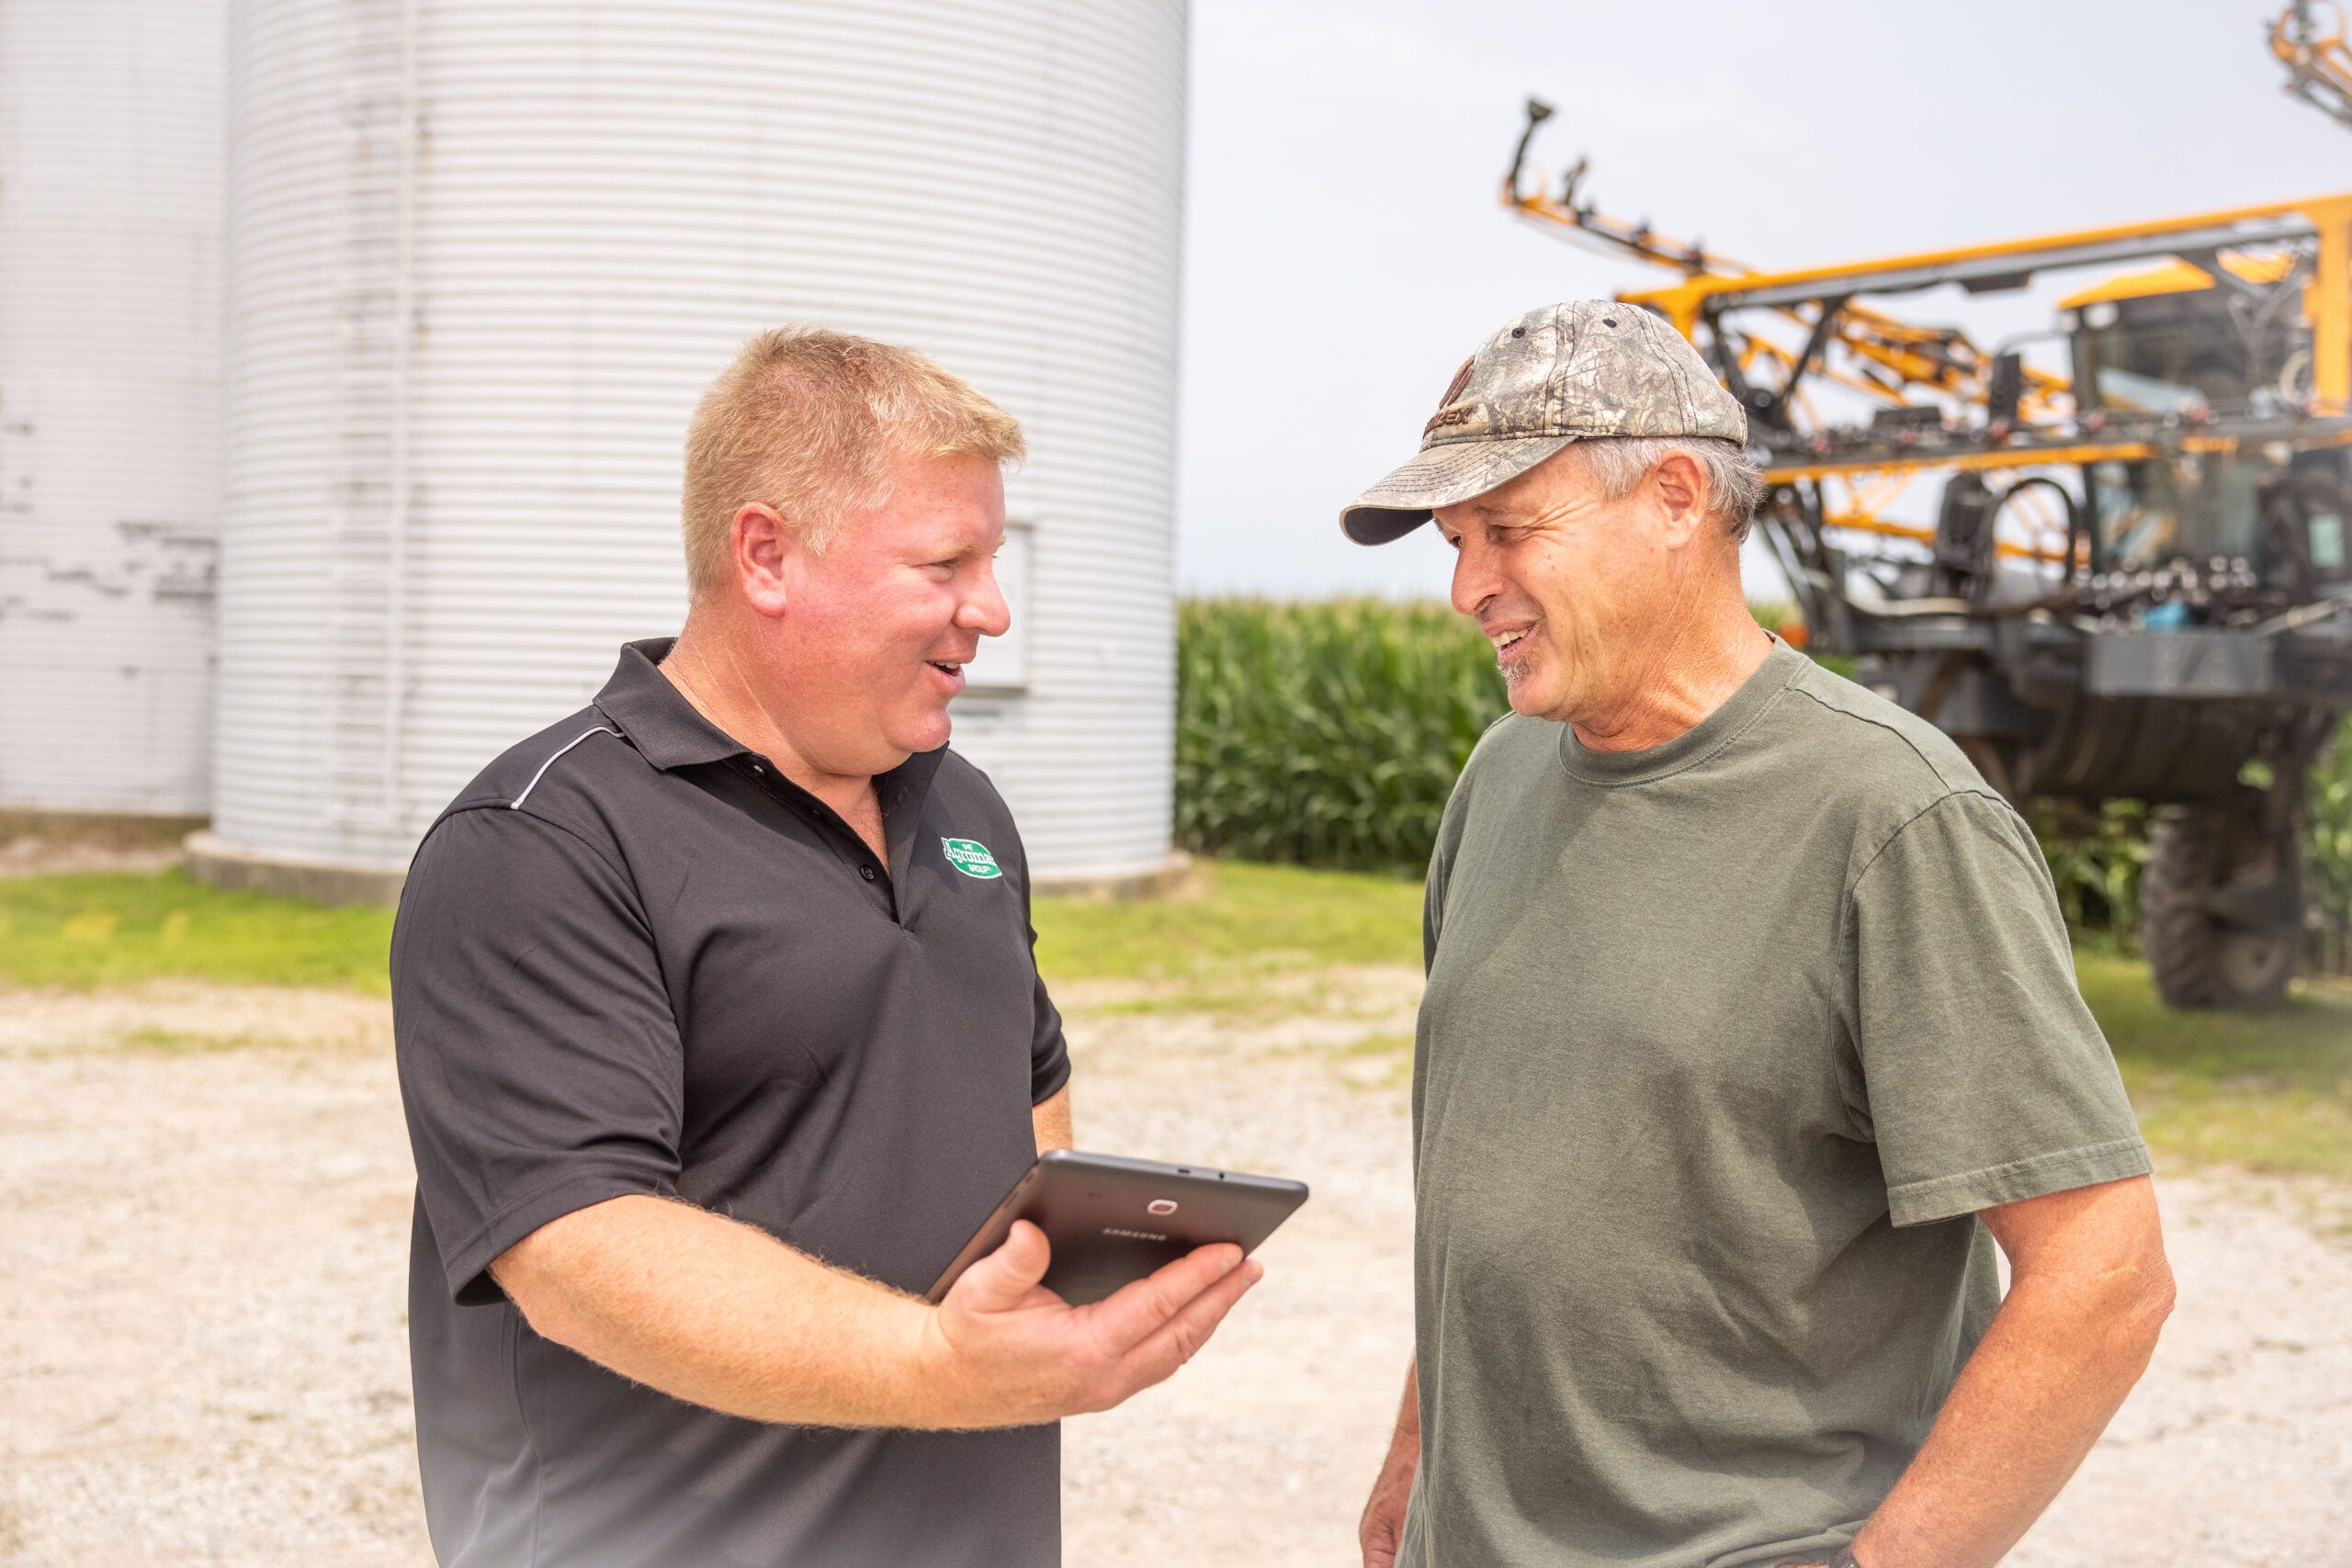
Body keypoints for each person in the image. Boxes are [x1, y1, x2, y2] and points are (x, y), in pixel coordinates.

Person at [391, 327, 1260, 1568]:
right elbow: (578, 1247)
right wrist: (938, 1363)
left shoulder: (963, 810)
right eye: (945, 562)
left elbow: (1030, 1089)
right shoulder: (544, 838)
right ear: (767, 555)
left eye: (992, 558)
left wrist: (1065, 1275)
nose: (993, 610)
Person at [1342, 301, 2173, 1568]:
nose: (1467, 590)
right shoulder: (1503, 777)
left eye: (1509, 531)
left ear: (1677, 496)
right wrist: (1419, 1455)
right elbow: (1503, 1183)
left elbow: (2104, 1274)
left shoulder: (1893, 816)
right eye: (1456, 542)